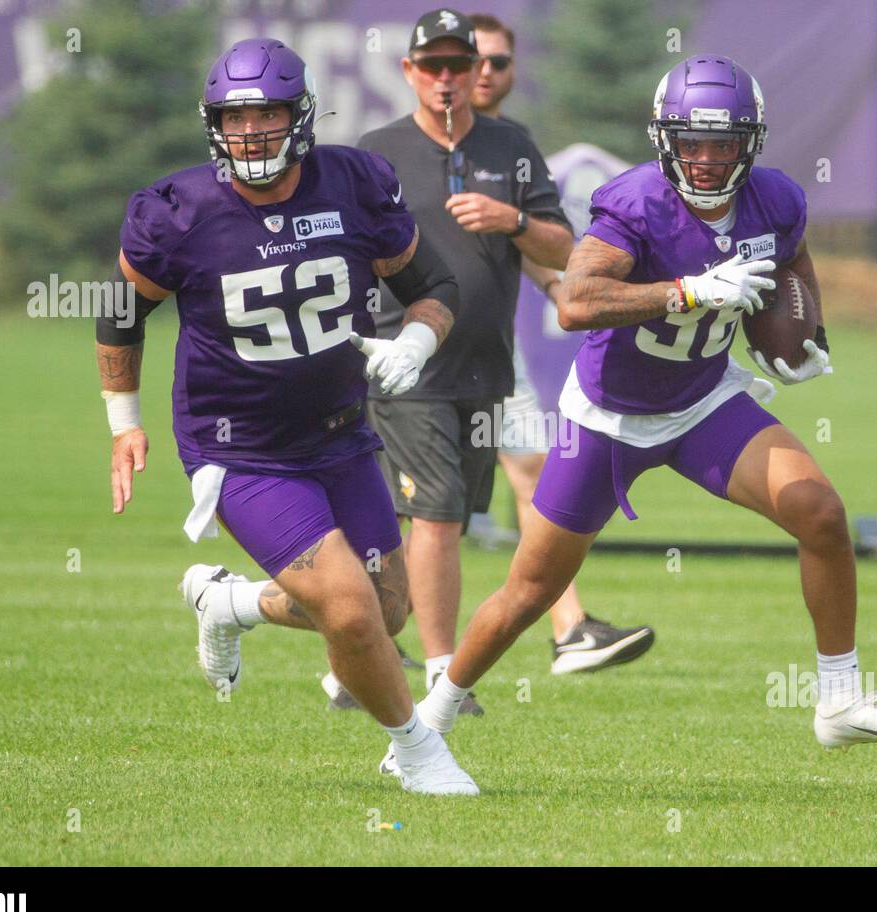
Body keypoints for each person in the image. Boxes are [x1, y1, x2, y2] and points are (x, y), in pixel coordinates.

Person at [395, 56, 877, 775]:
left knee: (821, 513)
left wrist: (807, 331)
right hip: (607, 419)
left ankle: (839, 702)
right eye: (693, 142)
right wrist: (688, 290)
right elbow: (575, 303)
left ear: (752, 142)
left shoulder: (775, 199)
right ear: (665, 140)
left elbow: (793, 257)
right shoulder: (637, 203)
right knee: (531, 592)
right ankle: (426, 725)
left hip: (703, 402)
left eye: (724, 143)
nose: (708, 160)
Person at [97, 37, 477, 795]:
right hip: (240, 450)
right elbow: (119, 311)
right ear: (214, 126)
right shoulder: (180, 210)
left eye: (267, 115)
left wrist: (416, 338)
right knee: (348, 609)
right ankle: (416, 752)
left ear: (299, 115)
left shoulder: (353, 184)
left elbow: (436, 285)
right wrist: (124, 422)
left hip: (339, 434)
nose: (251, 134)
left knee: (386, 611)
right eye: (235, 119)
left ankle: (230, 602)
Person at [319, 8, 573, 714]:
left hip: (486, 368)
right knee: (435, 516)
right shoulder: (377, 152)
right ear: (409, 73)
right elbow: (341, 252)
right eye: (432, 66)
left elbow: (565, 250)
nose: (448, 79)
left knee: (442, 522)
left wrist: (512, 220)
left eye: (460, 66)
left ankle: (348, 657)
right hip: (407, 366)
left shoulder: (512, 147)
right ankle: (440, 675)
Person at [467, 12, 654, 676]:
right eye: (474, 59)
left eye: (501, 61)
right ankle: (321, 631)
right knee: (414, 506)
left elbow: (538, 241)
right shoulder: (409, 143)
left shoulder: (510, 144)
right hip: (407, 343)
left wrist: (561, 290)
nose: (487, 73)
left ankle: (570, 628)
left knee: (531, 467)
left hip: (491, 339)